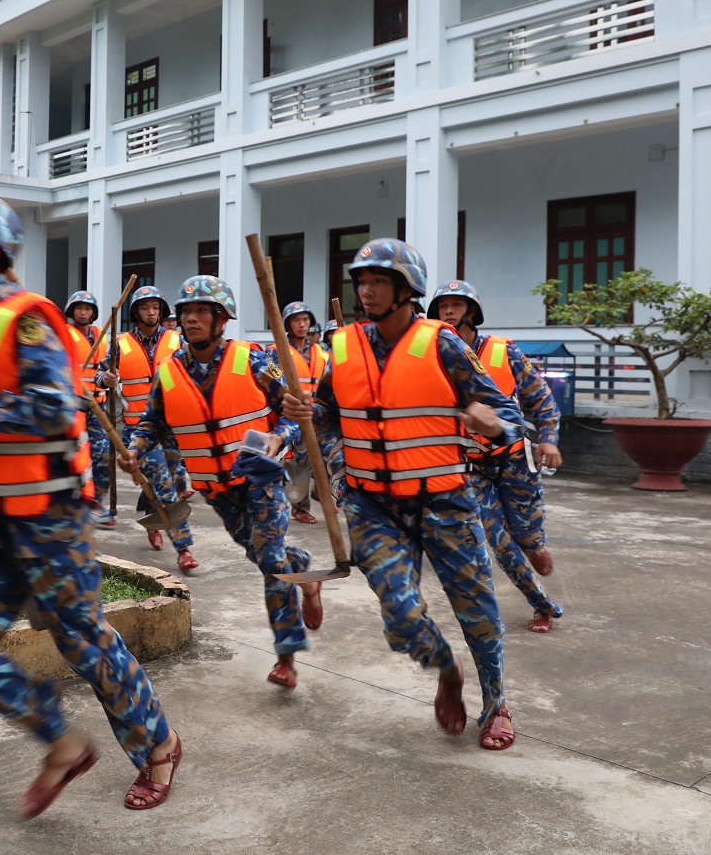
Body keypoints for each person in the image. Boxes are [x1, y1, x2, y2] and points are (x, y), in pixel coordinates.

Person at [0, 189, 182, 817]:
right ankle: (62, 743)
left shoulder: (27, 316)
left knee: (82, 642)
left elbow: (56, 408)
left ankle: (160, 744)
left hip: (47, 516)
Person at [283, 238, 523, 751]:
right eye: (361, 282)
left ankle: (496, 702)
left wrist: (494, 423)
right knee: (399, 612)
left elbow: (508, 415)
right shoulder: (343, 345)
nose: (366, 291)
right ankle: (445, 666)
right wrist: (305, 412)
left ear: (407, 290)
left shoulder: (443, 343)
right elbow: (327, 411)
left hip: (445, 500)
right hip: (372, 504)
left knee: (476, 608)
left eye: (378, 282)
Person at [122, 275, 323, 689]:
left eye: (202, 312)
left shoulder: (253, 360)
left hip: (261, 479)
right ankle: (304, 568)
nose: (191, 319)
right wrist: (136, 448)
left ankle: (286, 654)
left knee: (270, 562)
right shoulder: (169, 371)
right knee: (266, 555)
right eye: (186, 312)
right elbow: (153, 421)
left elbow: (290, 411)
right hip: (217, 489)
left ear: (222, 319)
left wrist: (278, 436)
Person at [428, 280, 564, 633]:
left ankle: (534, 543)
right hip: (472, 467)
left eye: (456, 304)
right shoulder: (436, 358)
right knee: (499, 543)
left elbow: (541, 399)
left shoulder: (506, 352)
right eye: (443, 305)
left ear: (472, 312)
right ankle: (543, 605)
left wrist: (547, 439)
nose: (448, 311)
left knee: (526, 536)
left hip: (515, 458)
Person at [97, 286, 199, 572]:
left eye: (155, 306)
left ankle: (153, 516)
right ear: (136, 313)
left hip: (172, 425)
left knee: (173, 480)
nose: (151, 311)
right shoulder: (120, 344)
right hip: (139, 429)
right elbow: (97, 376)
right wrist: (106, 379)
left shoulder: (177, 341)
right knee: (164, 483)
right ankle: (184, 549)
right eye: (145, 307)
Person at [270, 301, 332, 526]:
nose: (302, 324)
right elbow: (272, 381)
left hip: (318, 414)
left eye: (305, 320)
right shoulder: (277, 352)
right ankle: (300, 506)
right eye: (296, 320)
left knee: (326, 456)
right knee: (300, 460)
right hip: (293, 414)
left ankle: (320, 492)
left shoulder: (321, 353)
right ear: (288, 324)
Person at [63, 290, 115, 528]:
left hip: (98, 407)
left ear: (93, 312)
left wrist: (109, 379)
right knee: (73, 457)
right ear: (72, 312)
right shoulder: (63, 334)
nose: (83, 312)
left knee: (103, 455)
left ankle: (95, 502)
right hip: (73, 407)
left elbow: (105, 370)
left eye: (87, 308)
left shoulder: (103, 337)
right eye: (79, 308)